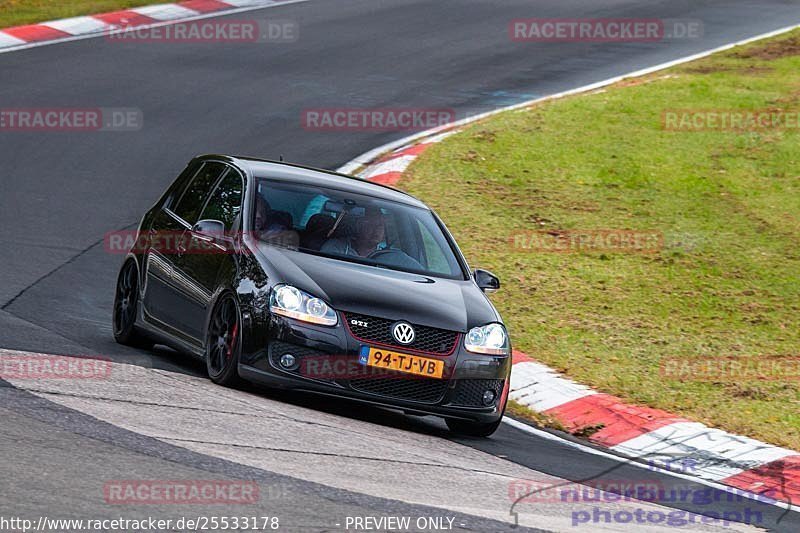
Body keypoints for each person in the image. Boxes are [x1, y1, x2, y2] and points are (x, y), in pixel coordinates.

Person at [321, 207, 385, 257]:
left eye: (380, 225)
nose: (377, 229)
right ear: (358, 226)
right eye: (371, 224)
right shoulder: (334, 247)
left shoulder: (386, 255)